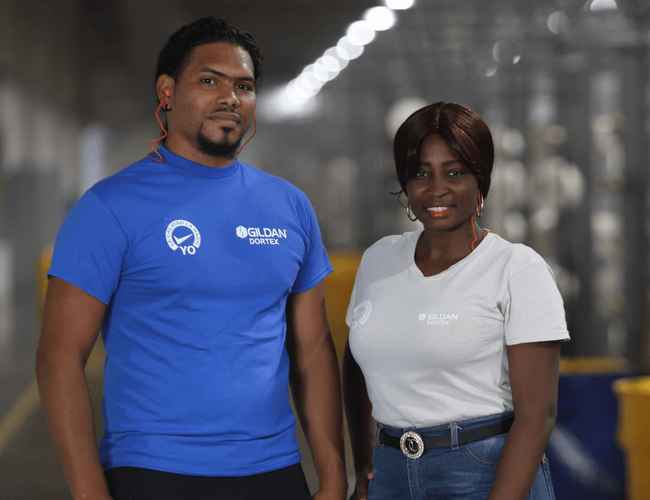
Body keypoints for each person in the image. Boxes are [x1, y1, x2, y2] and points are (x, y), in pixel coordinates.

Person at [37, 17, 346, 500]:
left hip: (274, 471)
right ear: (166, 91)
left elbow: (312, 351)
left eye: (244, 87)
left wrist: (332, 476)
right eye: (209, 81)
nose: (230, 98)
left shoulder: (289, 207)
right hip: (153, 472)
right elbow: (60, 356)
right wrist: (89, 493)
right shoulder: (109, 207)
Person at [343, 102, 569, 500]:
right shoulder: (378, 260)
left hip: (485, 473)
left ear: (479, 181)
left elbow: (536, 418)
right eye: (420, 174)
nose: (436, 188)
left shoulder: (516, 268)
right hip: (392, 472)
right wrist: (363, 467)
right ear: (405, 184)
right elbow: (357, 366)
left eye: (454, 172)